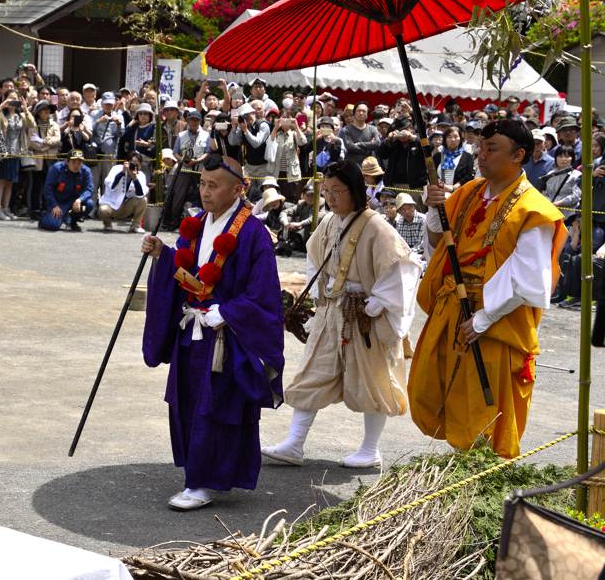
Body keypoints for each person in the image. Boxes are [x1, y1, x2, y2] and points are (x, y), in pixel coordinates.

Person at [408, 119, 567, 459]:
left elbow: (531, 280)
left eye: (491, 149)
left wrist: (484, 319)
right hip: (452, 306)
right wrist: (435, 208)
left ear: (518, 155)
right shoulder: (468, 193)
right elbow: (439, 244)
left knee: (486, 403)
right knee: (438, 389)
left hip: (495, 320)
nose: (481, 155)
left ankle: (482, 468)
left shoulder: (533, 209)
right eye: (480, 147)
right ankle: (460, 462)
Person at [140, 154, 285, 510]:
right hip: (192, 328)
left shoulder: (253, 233)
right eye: (202, 184)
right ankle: (196, 471)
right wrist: (163, 253)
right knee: (187, 399)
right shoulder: (197, 224)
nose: (205, 192)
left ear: (238, 189)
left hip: (226, 336)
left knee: (216, 405)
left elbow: (264, 293)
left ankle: (204, 482)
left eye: (213, 186)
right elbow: (187, 266)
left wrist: (229, 312)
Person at [262, 159, 422, 469]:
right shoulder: (328, 222)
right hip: (332, 309)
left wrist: (376, 303)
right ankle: (294, 444)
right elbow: (314, 255)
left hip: (364, 316)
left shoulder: (376, 225)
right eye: (327, 191)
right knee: (313, 372)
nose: (331, 197)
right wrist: (320, 292)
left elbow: (401, 268)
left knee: (372, 379)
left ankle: (370, 449)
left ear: (356, 190)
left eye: (337, 190)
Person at [166, 107, 211, 230]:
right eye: (191, 120)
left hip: (199, 169)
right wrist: (182, 160)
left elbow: (208, 152)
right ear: (187, 121)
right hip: (184, 169)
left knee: (202, 195)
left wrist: (197, 160)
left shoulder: (206, 135)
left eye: (197, 120)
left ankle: (204, 224)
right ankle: (173, 224)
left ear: (201, 121)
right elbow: (175, 152)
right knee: (179, 196)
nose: (194, 122)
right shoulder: (181, 135)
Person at [0, 90, 31, 221]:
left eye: (15, 99)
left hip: (16, 151)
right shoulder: (1, 114)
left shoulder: (20, 115)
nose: (12, 101)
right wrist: (1, 106)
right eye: (10, 98)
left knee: (11, 182)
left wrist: (25, 109)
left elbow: (31, 124)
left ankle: (6, 208)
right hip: (3, 152)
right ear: (4, 99)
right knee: (1, 181)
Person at [40, 150, 94, 232]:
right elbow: (48, 189)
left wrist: (80, 200)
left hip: (74, 200)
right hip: (58, 201)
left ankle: (73, 220)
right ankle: (44, 216)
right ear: (67, 161)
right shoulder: (56, 169)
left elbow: (89, 189)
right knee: (53, 225)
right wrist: (54, 205)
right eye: (73, 162)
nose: (76, 165)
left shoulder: (86, 171)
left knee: (89, 204)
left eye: (79, 163)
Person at [97, 152, 148, 233]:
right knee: (102, 210)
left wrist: (135, 178)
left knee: (143, 200)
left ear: (140, 166)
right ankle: (107, 223)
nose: (134, 166)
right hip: (111, 205)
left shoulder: (141, 175)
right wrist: (122, 172)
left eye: (136, 165)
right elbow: (111, 185)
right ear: (126, 162)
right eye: (132, 163)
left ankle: (135, 225)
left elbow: (140, 193)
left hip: (127, 207)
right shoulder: (116, 169)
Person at [279, 182, 326, 253]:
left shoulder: (322, 202)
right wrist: (286, 224)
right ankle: (284, 242)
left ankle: (293, 244)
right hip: (300, 232)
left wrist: (301, 223)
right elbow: (285, 212)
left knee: (310, 223)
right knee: (288, 218)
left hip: (315, 233)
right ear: (303, 196)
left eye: (313, 195)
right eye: (308, 195)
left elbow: (321, 215)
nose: (311, 198)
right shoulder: (301, 204)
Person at [433, 124, 475, 193]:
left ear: (460, 139)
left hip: (458, 193)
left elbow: (468, 175)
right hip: (438, 193)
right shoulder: (437, 156)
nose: (453, 140)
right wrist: (441, 185)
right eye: (449, 137)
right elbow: (431, 173)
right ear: (445, 139)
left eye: (456, 137)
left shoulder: (467, 157)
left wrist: (453, 188)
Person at [340, 102, 381, 166]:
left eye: (364, 111)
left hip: (368, 165)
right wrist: (368, 150)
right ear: (354, 113)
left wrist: (359, 144)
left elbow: (377, 143)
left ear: (367, 115)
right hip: (352, 165)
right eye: (359, 111)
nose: (361, 113)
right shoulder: (347, 129)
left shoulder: (373, 129)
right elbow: (350, 146)